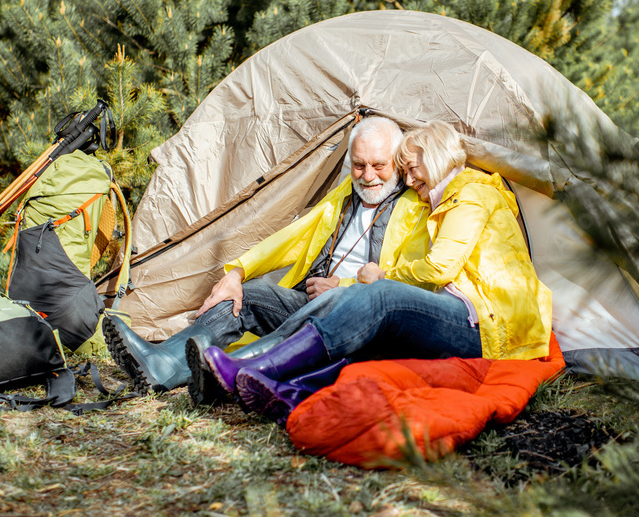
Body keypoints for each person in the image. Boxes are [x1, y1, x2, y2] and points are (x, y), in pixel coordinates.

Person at [191, 120, 553, 425]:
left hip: (488, 325)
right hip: (460, 312)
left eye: (410, 168)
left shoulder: (470, 194)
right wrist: (237, 269)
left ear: (437, 159)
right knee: (270, 299)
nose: (409, 180)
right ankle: (266, 386)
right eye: (405, 170)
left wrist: (374, 278)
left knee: (378, 298)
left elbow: (439, 267)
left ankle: (251, 368)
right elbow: (289, 238)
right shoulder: (429, 198)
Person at [102, 116, 430, 397]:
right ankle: (163, 363)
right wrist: (238, 273)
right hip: (310, 300)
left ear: (398, 164)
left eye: (378, 166)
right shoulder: (347, 194)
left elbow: (405, 281)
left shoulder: (415, 208)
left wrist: (344, 288)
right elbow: (293, 236)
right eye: (358, 165)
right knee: (251, 295)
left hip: (359, 321)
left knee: (311, 318)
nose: (368, 176)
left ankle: (221, 376)